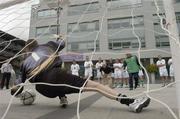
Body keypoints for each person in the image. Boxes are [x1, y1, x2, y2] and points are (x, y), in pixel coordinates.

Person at [11, 39, 150, 113]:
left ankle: (63, 98)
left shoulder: (24, 62)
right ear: (36, 44)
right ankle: (131, 102)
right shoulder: (46, 45)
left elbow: (18, 88)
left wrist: (14, 91)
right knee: (96, 86)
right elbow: (62, 44)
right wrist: (59, 38)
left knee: (61, 84)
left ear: (27, 49)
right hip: (56, 76)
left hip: (43, 89)